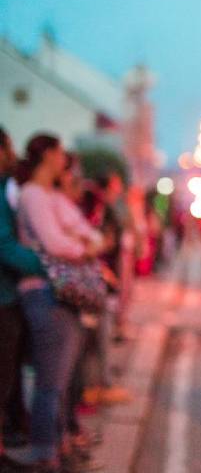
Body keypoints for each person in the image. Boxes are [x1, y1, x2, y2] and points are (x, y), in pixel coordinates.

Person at [10, 135, 101, 472]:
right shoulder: (33, 194)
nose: (65, 158)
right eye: (61, 152)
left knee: (62, 379)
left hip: (63, 293)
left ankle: (58, 447)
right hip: (45, 292)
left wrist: (81, 240)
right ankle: (45, 453)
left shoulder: (49, 195)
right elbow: (54, 242)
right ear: (48, 155)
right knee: (51, 381)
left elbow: (84, 233)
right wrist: (83, 247)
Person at [0, 128, 46, 466]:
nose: (11, 156)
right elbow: (4, 244)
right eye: (8, 148)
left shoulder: (8, 189)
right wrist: (46, 265)